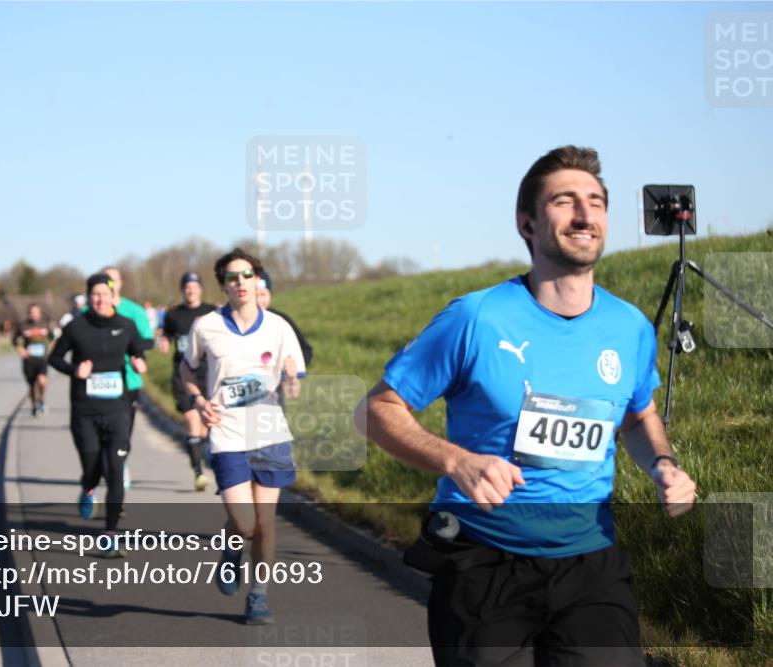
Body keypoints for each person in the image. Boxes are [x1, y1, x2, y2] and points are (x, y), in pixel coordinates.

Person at [354, 146, 697, 666]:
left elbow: (636, 414)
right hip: (484, 564)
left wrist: (663, 466)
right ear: (527, 225)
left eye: (596, 203)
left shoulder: (628, 328)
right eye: (565, 201)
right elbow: (375, 410)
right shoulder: (477, 318)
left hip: (590, 563)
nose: (585, 215)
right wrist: (457, 461)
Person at [181, 248, 305, 625]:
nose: (241, 283)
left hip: (269, 434)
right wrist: (201, 402)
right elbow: (187, 373)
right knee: (245, 523)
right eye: (232, 277)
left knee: (265, 524)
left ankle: (258, 596)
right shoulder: (205, 326)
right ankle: (231, 551)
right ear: (223, 285)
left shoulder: (279, 327)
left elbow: (295, 389)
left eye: (247, 275)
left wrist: (287, 380)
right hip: (228, 435)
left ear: (257, 280)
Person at [49, 274, 148, 557]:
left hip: (117, 409)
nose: (100, 299)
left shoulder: (126, 326)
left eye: (105, 294)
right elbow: (54, 358)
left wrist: (140, 363)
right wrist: (74, 370)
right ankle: (88, 488)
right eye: (95, 294)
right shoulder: (76, 327)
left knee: (115, 473)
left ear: (113, 295)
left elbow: (138, 352)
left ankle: (110, 536)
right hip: (85, 412)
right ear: (89, 297)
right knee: (93, 470)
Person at [157, 271, 218, 491]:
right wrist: (163, 341)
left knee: (205, 430)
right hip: (183, 375)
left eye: (194, 286)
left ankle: (207, 464)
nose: (191, 290)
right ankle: (199, 473)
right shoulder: (173, 315)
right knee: (194, 422)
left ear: (200, 288)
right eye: (187, 287)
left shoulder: (212, 312)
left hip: (209, 374)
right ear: (182, 290)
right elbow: (165, 334)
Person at [101, 268, 155, 489]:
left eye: (113, 279)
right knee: (98, 437)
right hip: (97, 384)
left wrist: (129, 348)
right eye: (105, 280)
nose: (109, 284)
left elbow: (148, 340)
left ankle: (118, 465)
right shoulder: (89, 311)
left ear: (120, 283)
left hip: (128, 381)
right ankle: (101, 472)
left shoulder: (133, 311)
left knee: (122, 433)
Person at [256, 270, 313, 367]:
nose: (258, 301)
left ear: (270, 295)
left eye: (263, 294)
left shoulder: (282, 320)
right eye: (254, 295)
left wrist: (292, 365)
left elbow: (306, 351)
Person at [12, 303, 55, 417]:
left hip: (42, 359)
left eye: (36, 312)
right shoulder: (23, 325)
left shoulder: (45, 324)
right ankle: (34, 405)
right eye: (31, 312)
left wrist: (50, 349)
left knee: (42, 381)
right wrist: (20, 349)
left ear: (39, 313)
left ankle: (41, 399)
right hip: (29, 359)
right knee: (31, 385)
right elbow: (14, 340)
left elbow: (53, 338)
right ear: (28, 313)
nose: (34, 314)